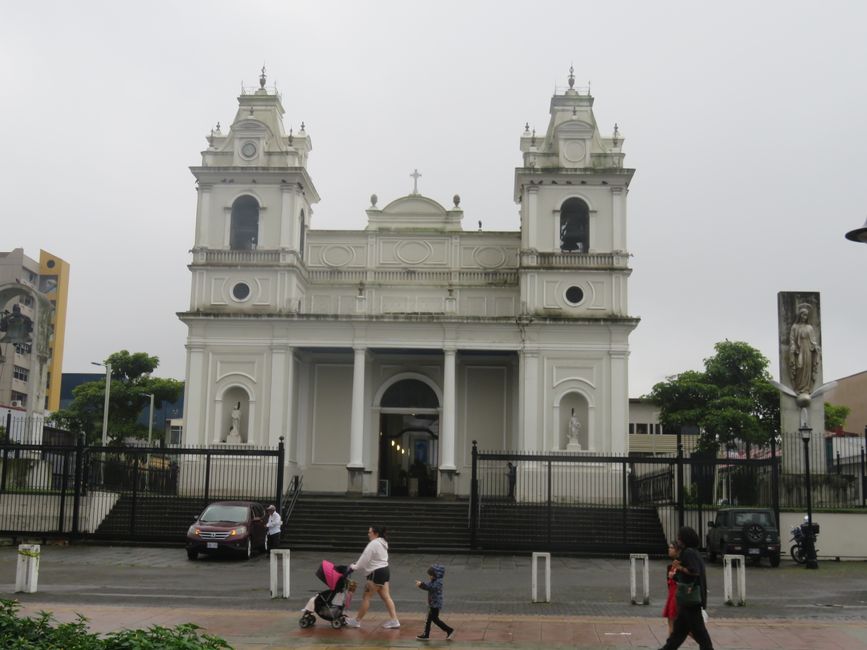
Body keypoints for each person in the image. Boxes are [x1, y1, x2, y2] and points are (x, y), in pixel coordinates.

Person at [658, 526, 714, 650]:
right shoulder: (694, 552)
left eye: (679, 537)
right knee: (678, 634)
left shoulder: (689, 552)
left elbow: (694, 571)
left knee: (701, 635)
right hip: (687, 600)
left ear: (684, 539)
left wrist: (679, 568)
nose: (678, 540)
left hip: (691, 599)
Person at [345, 526, 400, 629]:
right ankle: (394, 620)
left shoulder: (373, 544)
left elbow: (364, 558)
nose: (368, 534)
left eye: (370, 532)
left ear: (376, 533)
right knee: (386, 597)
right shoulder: (383, 542)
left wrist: (354, 566)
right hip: (385, 571)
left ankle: (357, 621)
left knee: (366, 597)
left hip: (376, 574)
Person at [415, 563, 455, 641]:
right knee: (429, 619)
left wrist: (421, 584)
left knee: (435, 619)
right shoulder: (434, 580)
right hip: (433, 603)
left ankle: (449, 630)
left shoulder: (438, 582)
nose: (430, 576)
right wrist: (421, 584)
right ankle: (426, 634)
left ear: (436, 575)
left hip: (435, 604)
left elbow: (430, 587)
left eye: (431, 575)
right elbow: (428, 585)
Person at [788, 304, 820, 394]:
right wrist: (793, 346)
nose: (804, 317)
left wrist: (815, 347)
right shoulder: (795, 327)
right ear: (800, 315)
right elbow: (792, 339)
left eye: (806, 315)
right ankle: (798, 387)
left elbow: (813, 340)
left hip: (808, 350)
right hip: (799, 350)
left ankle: (806, 388)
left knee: (807, 368)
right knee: (800, 367)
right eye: (803, 315)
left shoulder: (810, 328)